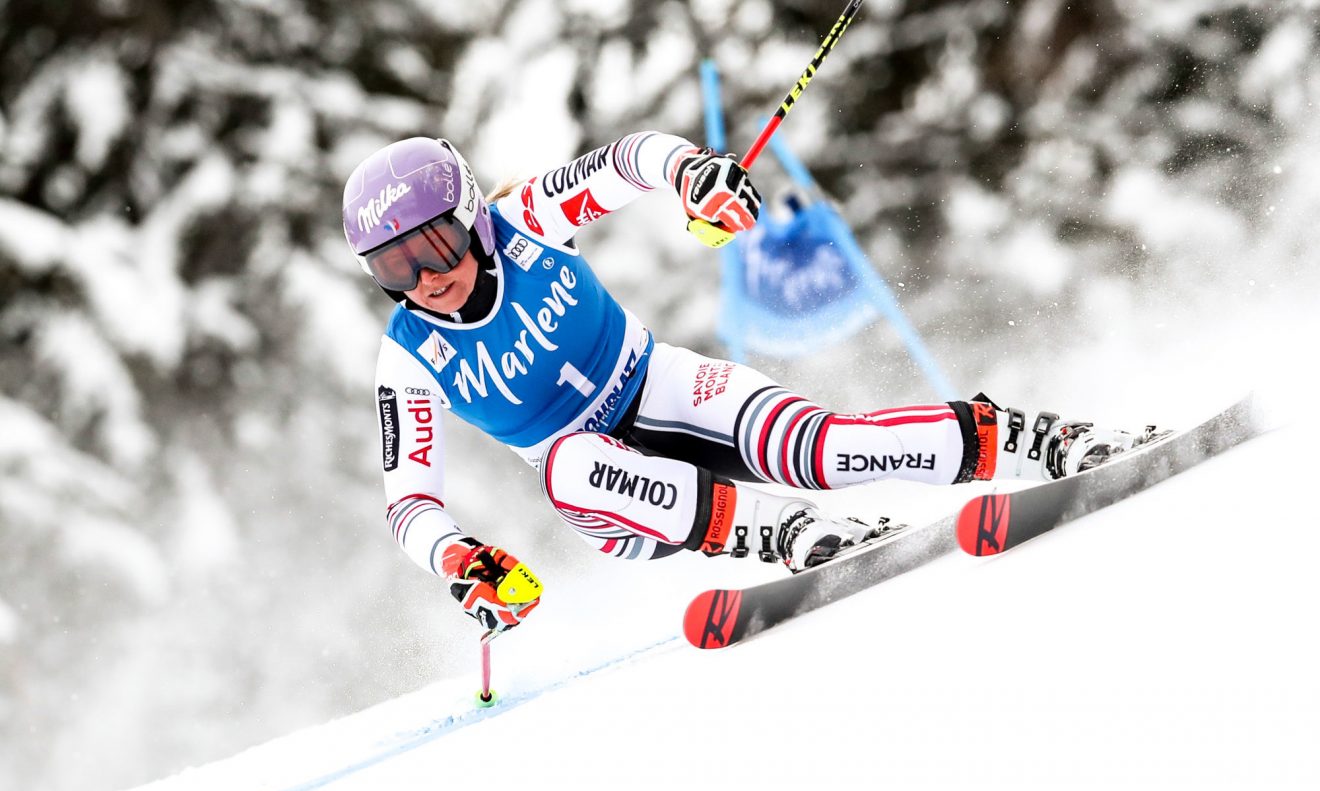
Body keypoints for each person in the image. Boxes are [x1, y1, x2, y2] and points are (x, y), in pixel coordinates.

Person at [342, 132, 1158, 634]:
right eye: (393, 266)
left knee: (827, 449)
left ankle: (1042, 441)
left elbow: (630, 162)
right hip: (614, 494)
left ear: (473, 216)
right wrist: (459, 560)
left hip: (659, 382)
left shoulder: (528, 221)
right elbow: (410, 503)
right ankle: (791, 534)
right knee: (570, 466)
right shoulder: (409, 357)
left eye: (436, 247)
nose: (424, 278)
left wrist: (693, 174)